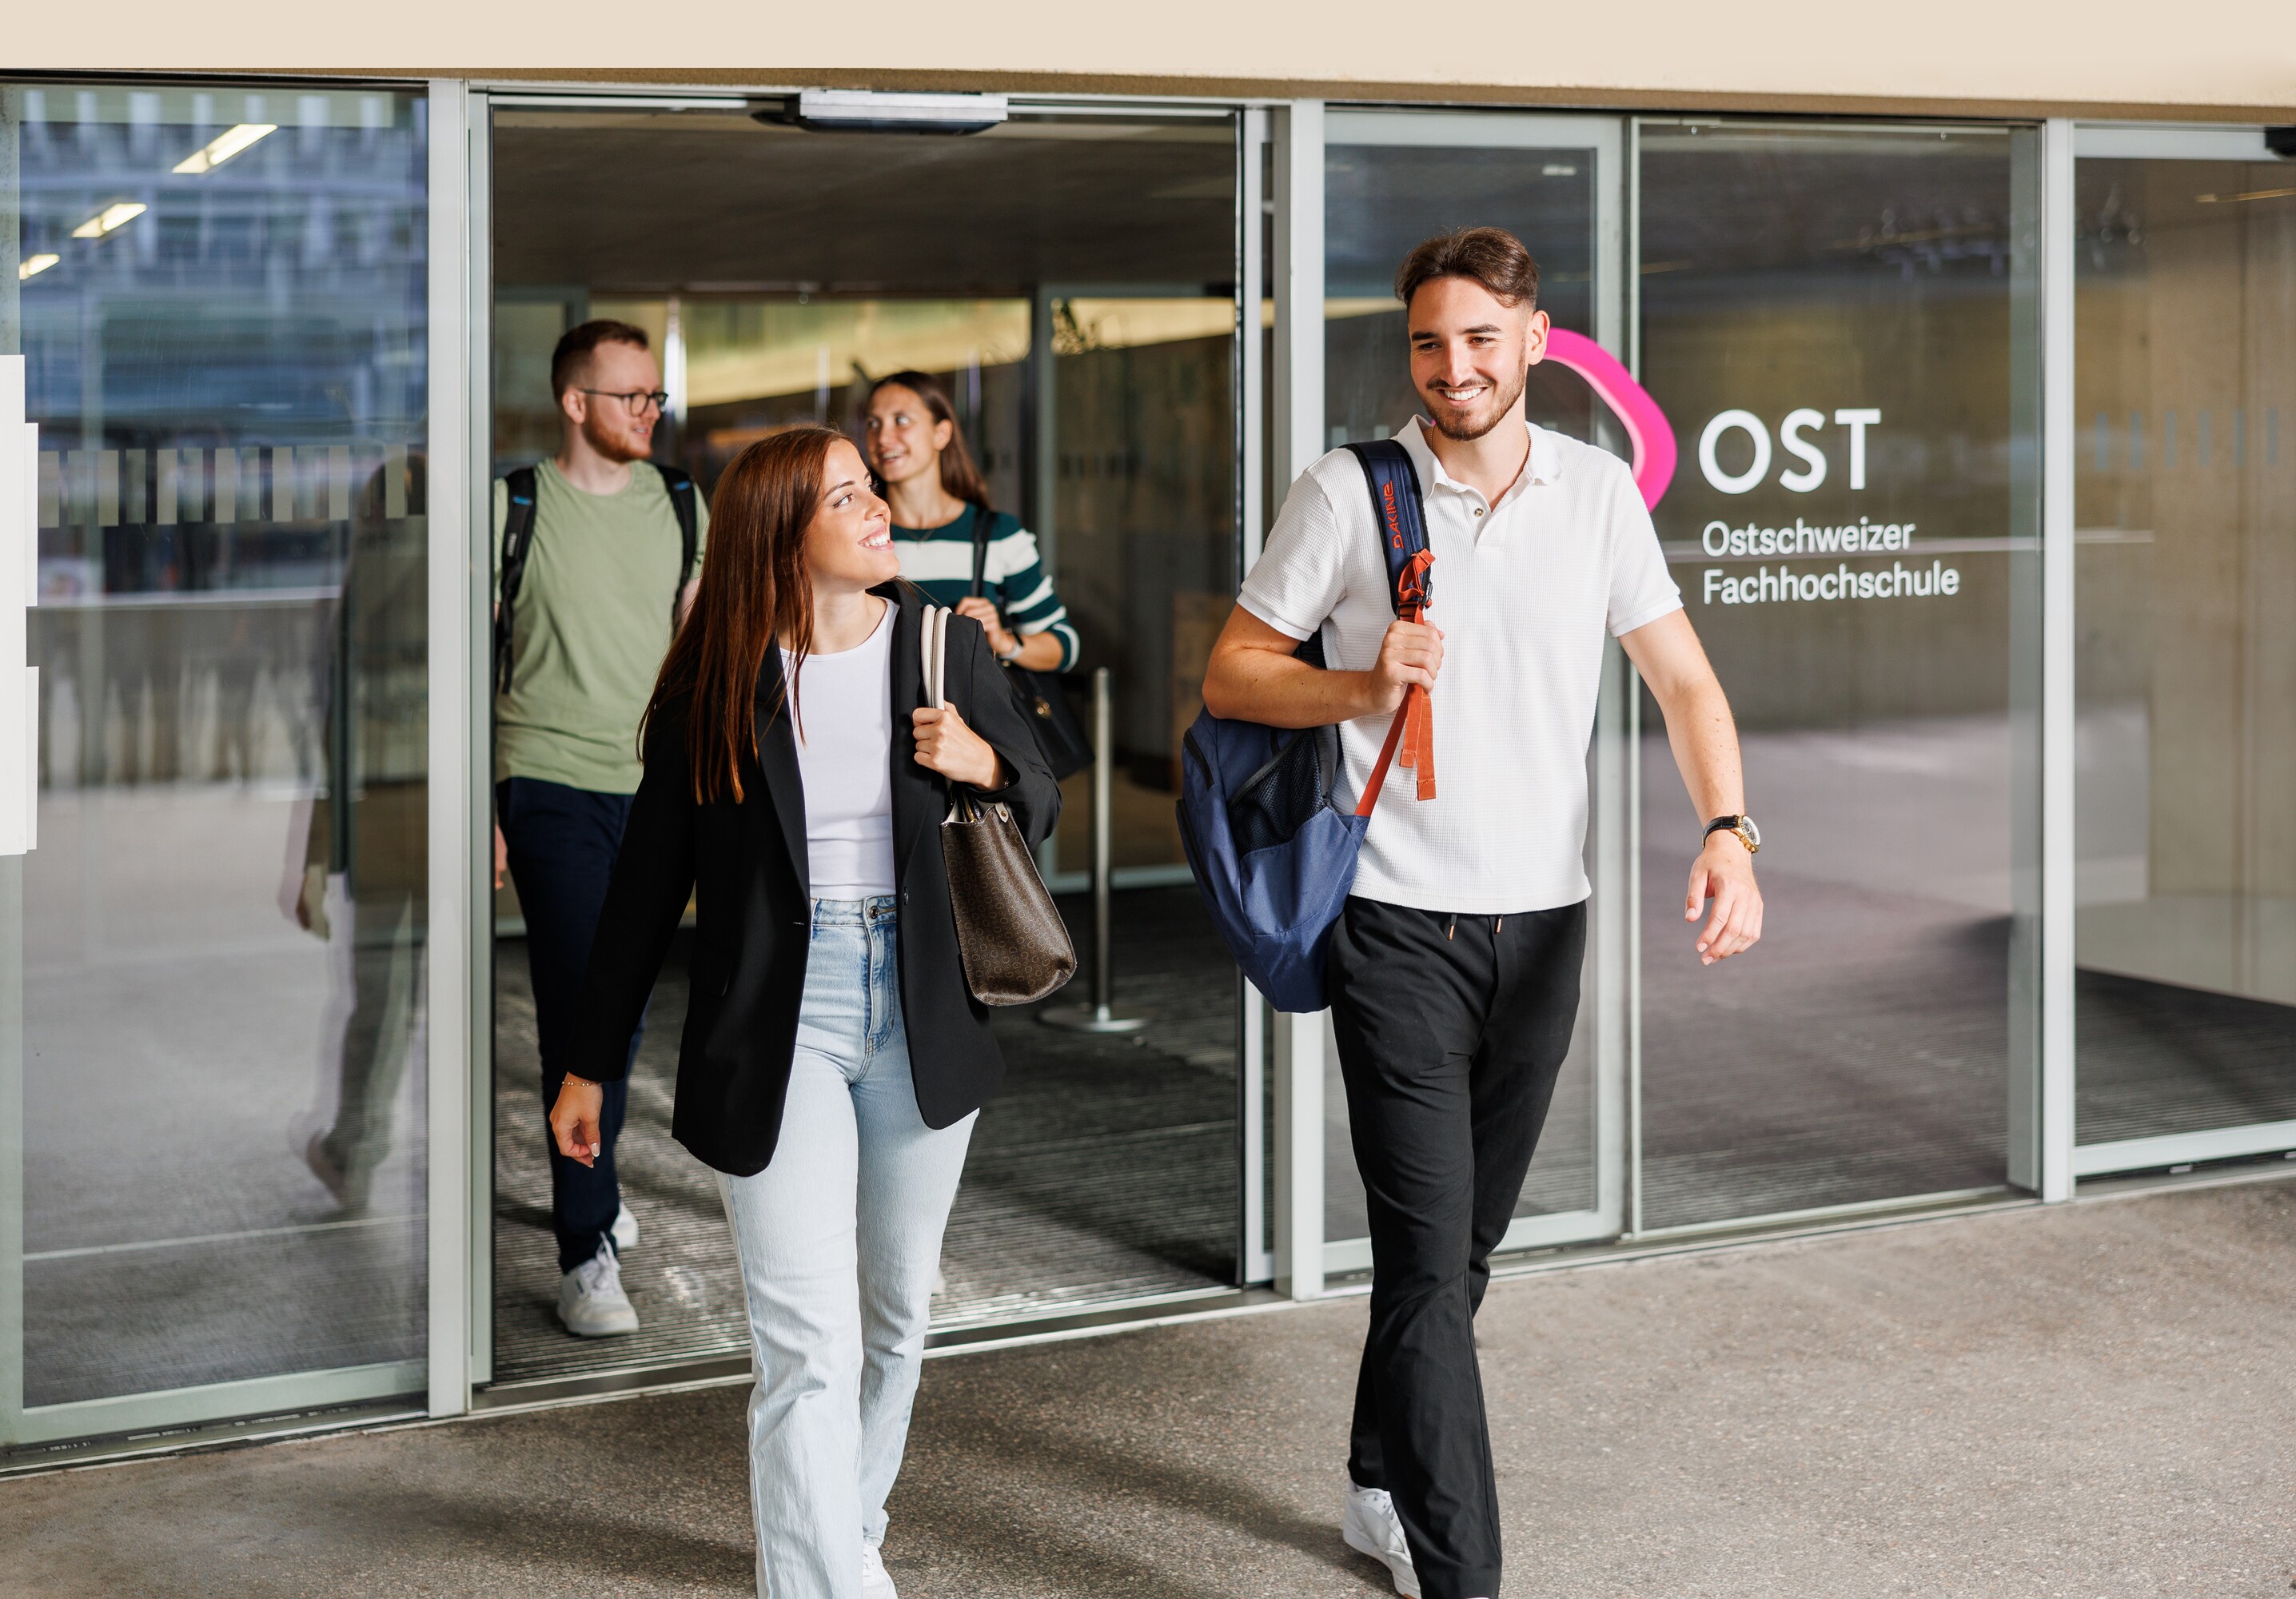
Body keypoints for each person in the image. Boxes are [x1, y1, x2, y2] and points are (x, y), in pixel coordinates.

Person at [1202, 226, 1764, 1599]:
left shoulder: (1595, 493)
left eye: (1475, 339)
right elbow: (1232, 674)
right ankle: (1465, 1575)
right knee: (1423, 1263)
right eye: (1426, 343)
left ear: (1533, 340)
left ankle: (1376, 1482)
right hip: (1396, 925)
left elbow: (1684, 684)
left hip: (1545, 927)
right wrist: (1361, 686)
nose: (1450, 367)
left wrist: (1729, 830)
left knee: (1457, 1256)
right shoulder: (1348, 492)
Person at [549, 427, 1058, 1599]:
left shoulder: (941, 647)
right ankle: (821, 1579)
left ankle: (847, 1528)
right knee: (803, 1340)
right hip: (782, 1017)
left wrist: (985, 763)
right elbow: (645, 888)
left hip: (922, 1009)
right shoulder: (719, 682)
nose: (878, 507)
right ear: (783, 534)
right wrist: (589, 1062)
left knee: (892, 1315)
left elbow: (1040, 796)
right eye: (846, 497)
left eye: (871, 488)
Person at [494, 319, 708, 1338]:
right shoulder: (515, 506)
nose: (649, 412)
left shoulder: (683, 502)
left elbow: (696, 650)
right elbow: (468, 659)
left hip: (654, 790)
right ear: (575, 402)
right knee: (584, 1008)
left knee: (620, 1017)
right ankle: (585, 1250)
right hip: (548, 781)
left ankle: (596, 1179)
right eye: (631, 396)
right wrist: (482, 806)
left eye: (656, 395)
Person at [862, 370, 1078, 676]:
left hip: (965, 709)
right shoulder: (860, 533)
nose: (883, 438)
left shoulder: (998, 535)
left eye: (902, 420)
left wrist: (1003, 641)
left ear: (941, 434)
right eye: (873, 423)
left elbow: (1065, 646)